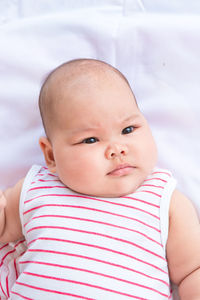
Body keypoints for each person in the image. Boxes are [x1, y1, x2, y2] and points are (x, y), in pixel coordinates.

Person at [0, 58, 200, 299]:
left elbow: (192, 270)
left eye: (128, 130)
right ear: (51, 156)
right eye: (91, 140)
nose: (117, 149)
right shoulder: (37, 188)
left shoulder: (164, 201)